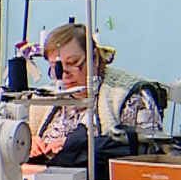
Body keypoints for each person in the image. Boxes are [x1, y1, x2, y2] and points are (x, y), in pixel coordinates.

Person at [29, 23, 163, 159]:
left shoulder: (130, 95)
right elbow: (27, 136)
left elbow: (150, 150)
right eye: (55, 67)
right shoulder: (44, 98)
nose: (64, 74)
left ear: (94, 57)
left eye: (73, 63)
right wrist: (28, 144)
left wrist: (83, 147)